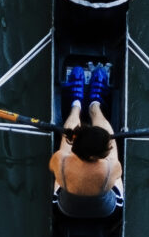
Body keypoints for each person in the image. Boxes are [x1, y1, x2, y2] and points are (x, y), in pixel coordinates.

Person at [51, 67, 123, 219]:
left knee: (63, 154)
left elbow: (53, 168)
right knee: (113, 152)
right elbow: (117, 174)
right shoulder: (110, 167)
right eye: (107, 147)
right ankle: (95, 106)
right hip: (105, 210)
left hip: (66, 208)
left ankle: (76, 105)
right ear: (94, 156)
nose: (109, 146)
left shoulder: (59, 160)